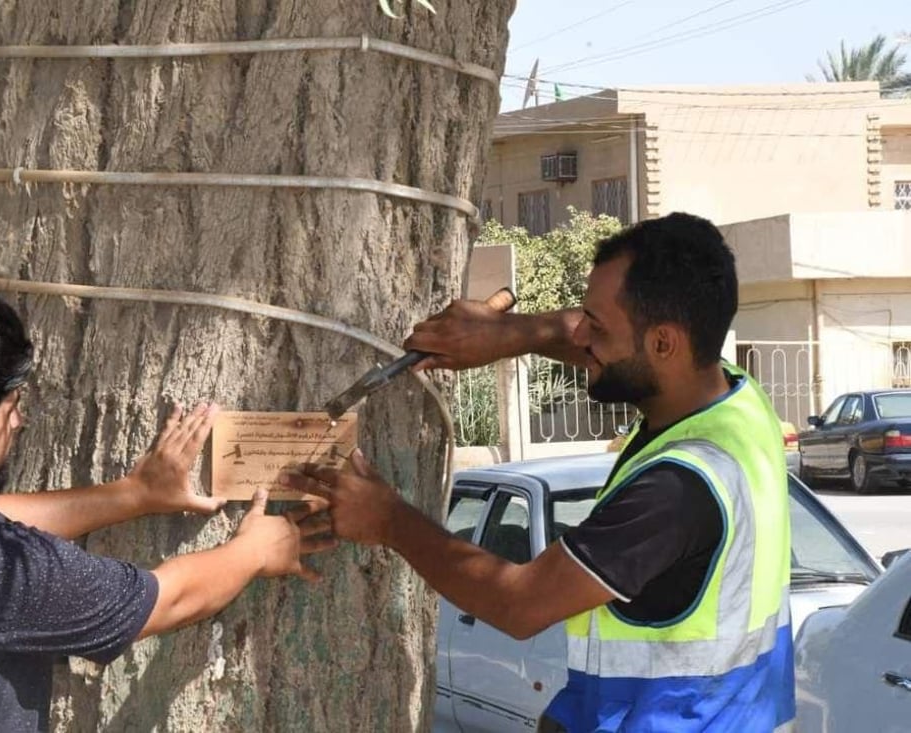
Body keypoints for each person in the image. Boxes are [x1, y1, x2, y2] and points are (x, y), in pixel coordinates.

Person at [281, 213, 794, 732]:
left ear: (663, 344)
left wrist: (388, 519)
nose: (580, 335)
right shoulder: (737, 400)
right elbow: (597, 338)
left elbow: (519, 603)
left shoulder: (678, 488)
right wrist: (511, 333)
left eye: (598, 325)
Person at [0, 285, 333, 732]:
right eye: (13, 410)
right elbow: (166, 600)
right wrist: (257, 550)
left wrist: (133, 495)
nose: (19, 424)